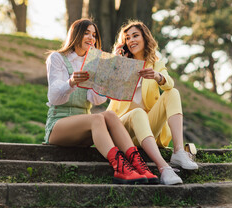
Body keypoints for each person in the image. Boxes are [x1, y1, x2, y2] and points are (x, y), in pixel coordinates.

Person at [44, 18, 159, 184]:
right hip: (58, 126)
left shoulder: (93, 62)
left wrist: (109, 74)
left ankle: (138, 166)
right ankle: (120, 168)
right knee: (97, 118)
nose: (91, 38)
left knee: (110, 115)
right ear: (75, 35)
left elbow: (95, 100)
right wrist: (72, 82)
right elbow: (54, 97)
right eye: (86, 33)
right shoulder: (58, 58)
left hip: (84, 130)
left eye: (94, 35)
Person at [107, 20, 198, 185]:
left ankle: (178, 151)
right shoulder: (119, 64)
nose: (131, 40)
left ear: (145, 38)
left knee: (173, 93)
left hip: (147, 130)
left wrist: (157, 76)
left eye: (135, 35)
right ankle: (164, 168)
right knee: (137, 112)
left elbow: (169, 83)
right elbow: (108, 91)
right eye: (127, 38)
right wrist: (117, 63)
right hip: (123, 129)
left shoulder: (156, 63)